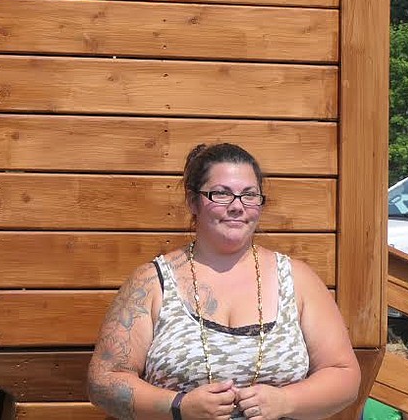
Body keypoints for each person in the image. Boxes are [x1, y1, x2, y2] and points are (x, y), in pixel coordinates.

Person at [87, 142, 360, 420]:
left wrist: (286, 401)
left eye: (249, 195)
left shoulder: (297, 279)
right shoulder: (152, 282)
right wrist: (178, 406)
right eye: (221, 194)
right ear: (193, 202)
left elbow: (343, 374)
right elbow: (104, 381)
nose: (237, 207)